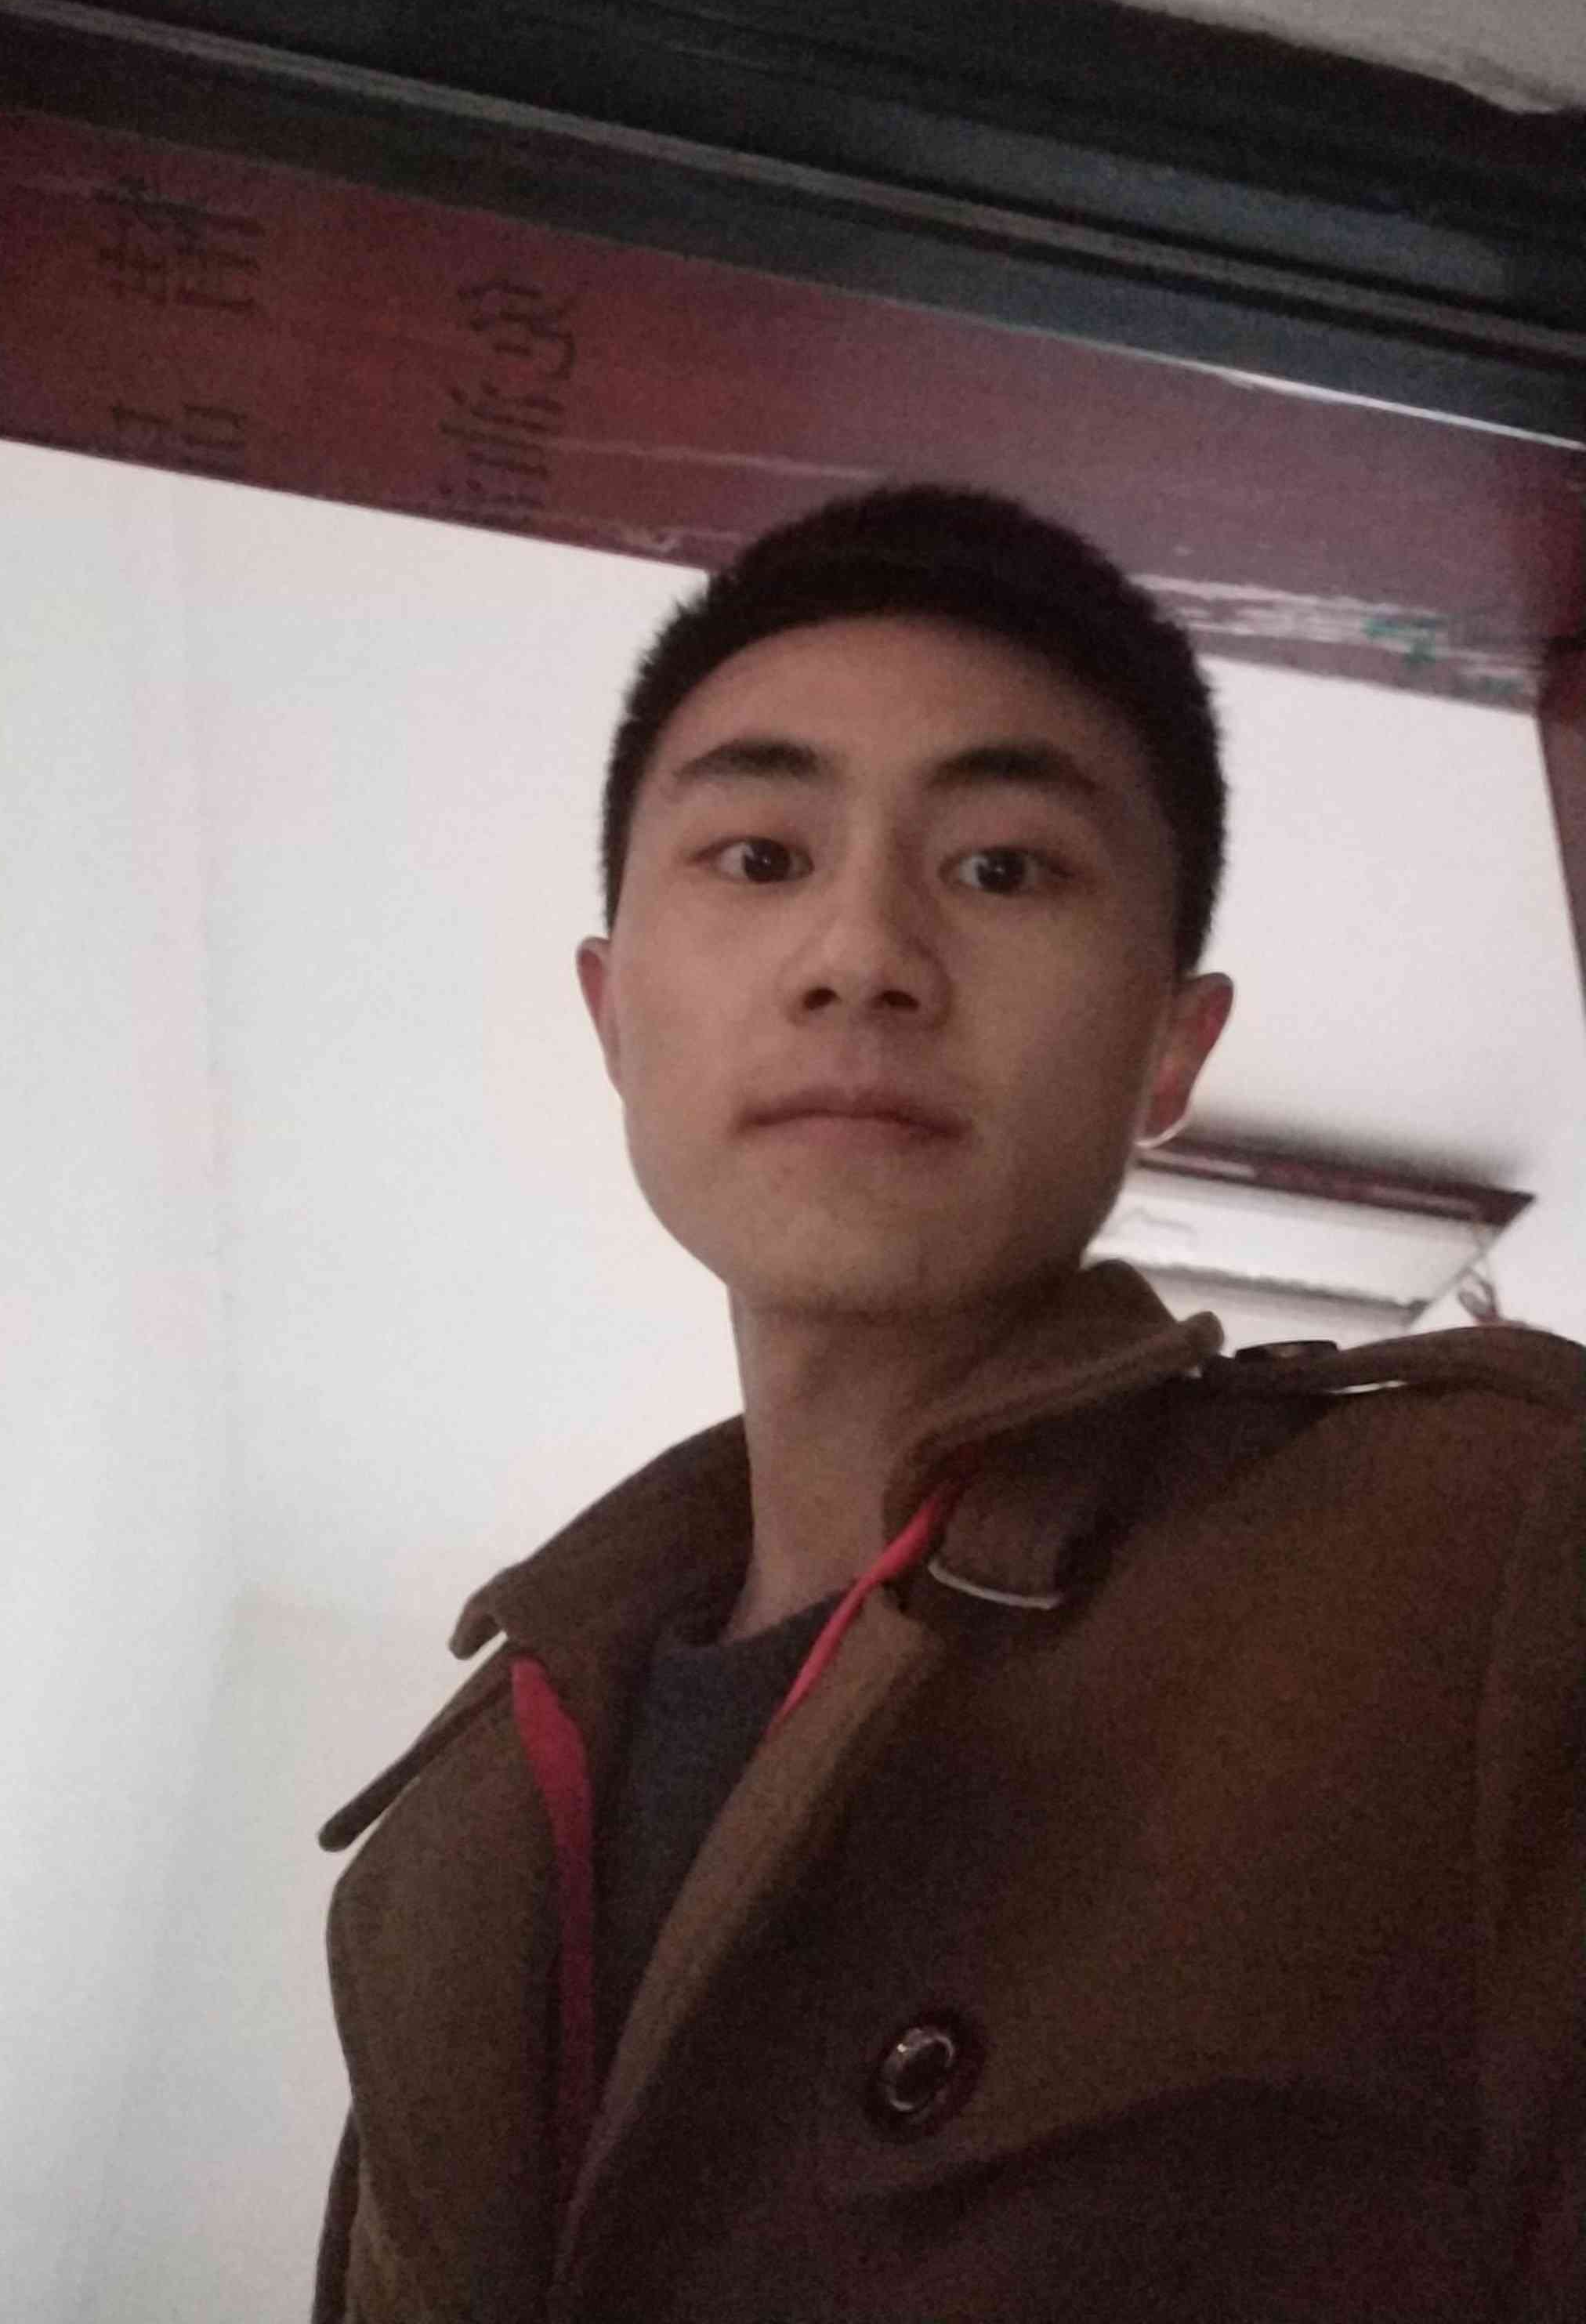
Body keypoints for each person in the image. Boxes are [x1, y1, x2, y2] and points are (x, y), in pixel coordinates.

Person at [312, 482, 1584, 2324]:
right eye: (760, 855)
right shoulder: (456, 1827)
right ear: (612, 1012)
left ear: (1172, 1046)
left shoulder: (1478, 1564)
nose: (863, 955)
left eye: (1004, 869)